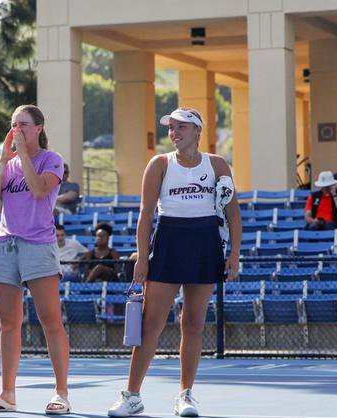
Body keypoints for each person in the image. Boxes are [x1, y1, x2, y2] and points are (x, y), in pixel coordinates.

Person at [107, 107, 241, 417]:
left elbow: (233, 214)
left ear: (197, 131)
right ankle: (132, 396)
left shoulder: (218, 164)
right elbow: (145, 214)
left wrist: (233, 255)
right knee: (151, 323)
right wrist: (142, 258)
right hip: (168, 240)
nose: (174, 132)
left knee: (193, 323)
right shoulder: (159, 164)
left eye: (182, 127)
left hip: (205, 242)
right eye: (171, 128)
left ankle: (186, 396)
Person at [0, 104, 70, 415]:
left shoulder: (51, 160)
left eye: (24, 124)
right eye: (14, 124)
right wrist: (4, 159)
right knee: (8, 324)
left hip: (38, 245)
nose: (17, 129)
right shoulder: (10, 162)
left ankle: (61, 392)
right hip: (5, 245)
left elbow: (39, 189)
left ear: (39, 128)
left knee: (50, 321)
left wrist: (23, 156)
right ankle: (7, 393)